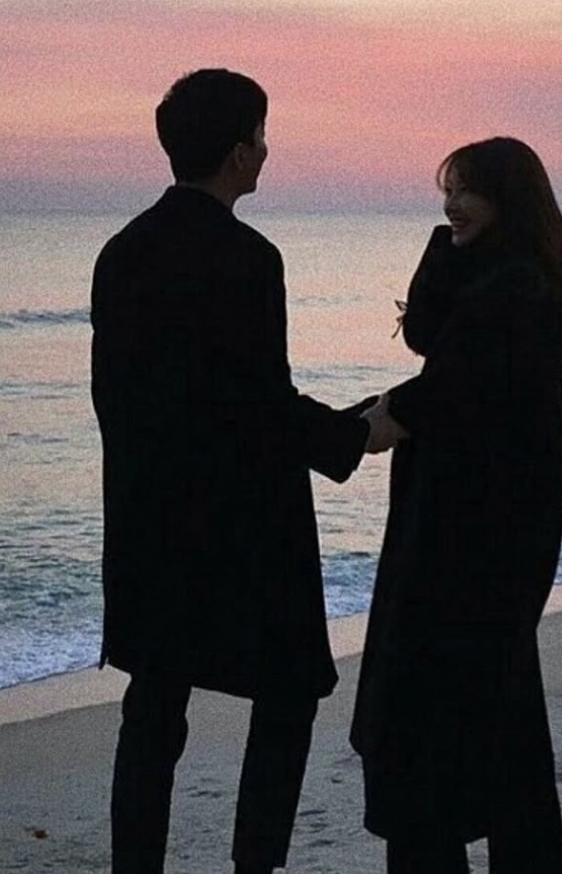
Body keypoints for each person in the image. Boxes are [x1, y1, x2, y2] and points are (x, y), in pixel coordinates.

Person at [91, 69, 395, 874]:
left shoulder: (120, 252)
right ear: (235, 151)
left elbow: (117, 399)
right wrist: (351, 436)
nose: (265, 149)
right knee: (288, 694)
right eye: (259, 135)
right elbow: (258, 401)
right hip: (244, 530)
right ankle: (254, 866)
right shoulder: (248, 258)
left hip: (149, 521)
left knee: (154, 706)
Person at [352, 136, 562, 874]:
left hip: (474, 545)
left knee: (432, 728)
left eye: (465, 191)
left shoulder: (516, 290)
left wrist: (365, 423)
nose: (451, 205)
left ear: (505, 199)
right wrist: (447, 241)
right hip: (472, 538)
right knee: (499, 730)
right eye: (445, 192)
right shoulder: (490, 278)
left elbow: (446, 388)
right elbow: (425, 336)